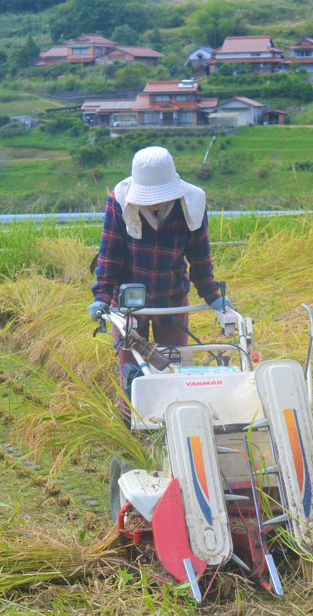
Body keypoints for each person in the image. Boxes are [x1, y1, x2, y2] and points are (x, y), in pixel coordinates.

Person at [88, 146, 232, 418]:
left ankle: (177, 426)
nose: (153, 202)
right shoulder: (119, 202)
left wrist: (212, 294)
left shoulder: (192, 204)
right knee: (134, 374)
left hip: (172, 299)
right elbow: (110, 254)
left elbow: (200, 256)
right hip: (130, 305)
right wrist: (102, 297)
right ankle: (134, 434)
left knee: (175, 369)